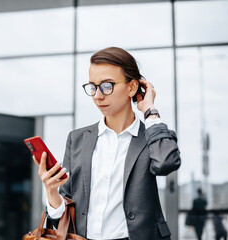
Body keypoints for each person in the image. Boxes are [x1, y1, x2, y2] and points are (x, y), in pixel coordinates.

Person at [33, 47, 181, 240]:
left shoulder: (152, 136)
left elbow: (166, 163)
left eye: (107, 85)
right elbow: (64, 217)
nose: (98, 95)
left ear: (132, 87)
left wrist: (150, 111)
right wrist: (51, 191)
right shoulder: (77, 139)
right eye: (93, 87)